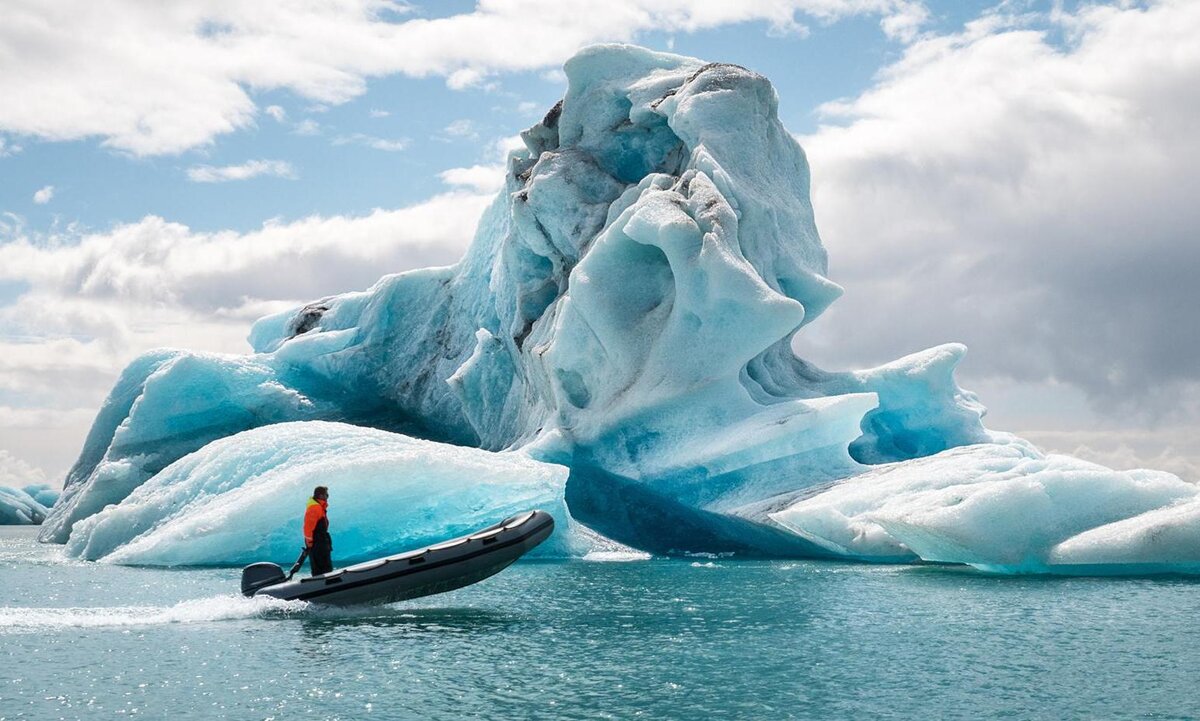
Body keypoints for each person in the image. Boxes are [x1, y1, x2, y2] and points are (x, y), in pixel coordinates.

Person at [303, 485, 333, 576]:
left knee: (326, 566)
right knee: (320, 568)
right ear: (321, 496)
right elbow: (308, 527)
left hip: (322, 541)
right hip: (317, 543)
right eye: (326, 495)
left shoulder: (319, 507)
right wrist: (310, 542)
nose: (327, 497)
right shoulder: (315, 508)